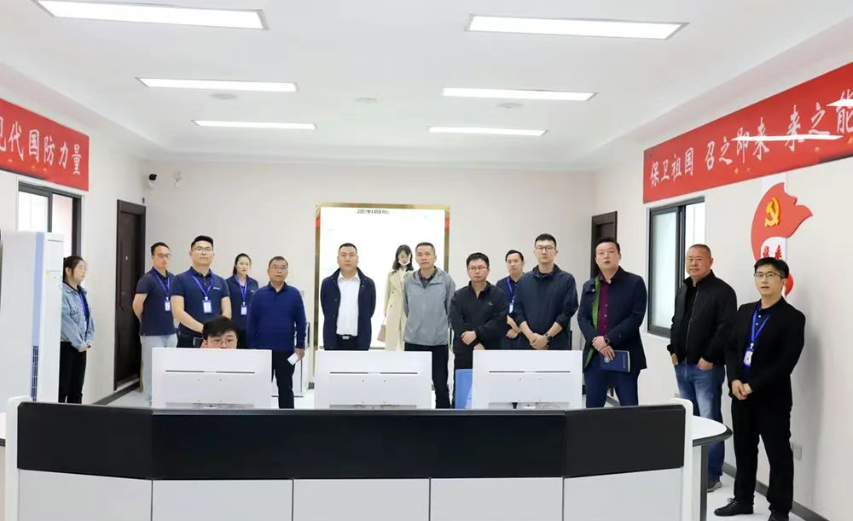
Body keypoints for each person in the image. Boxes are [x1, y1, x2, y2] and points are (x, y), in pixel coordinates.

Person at [715, 258, 806, 521]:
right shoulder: (745, 311)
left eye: (771, 275)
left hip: (771, 398)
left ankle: (779, 510)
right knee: (743, 450)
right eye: (759, 274)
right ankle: (743, 500)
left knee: (778, 454)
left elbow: (785, 362)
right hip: (740, 394)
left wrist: (752, 385)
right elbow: (731, 348)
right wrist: (734, 380)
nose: (764, 280)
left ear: (783, 281)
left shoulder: (792, 318)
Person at [668, 244, 737, 492]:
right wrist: (672, 350)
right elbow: (676, 321)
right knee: (689, 419)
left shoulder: (723, 291)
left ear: (710, 262)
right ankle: (692, 467)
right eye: (690, 259)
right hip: (682, 365)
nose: (693, 263)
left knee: (709, 420)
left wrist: (710, 357)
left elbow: (726, 328)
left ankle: (711, 473)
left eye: (699, 259)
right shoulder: (684, 288)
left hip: (707, 367)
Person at [578, 238, 648, 408]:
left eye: (611, 252)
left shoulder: (634, 282)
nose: (606, 256)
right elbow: (582, 317)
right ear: (596, 259)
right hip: (595, 355)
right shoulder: (589, 285)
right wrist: (596, 341)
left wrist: (608, 339)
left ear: (619, 256)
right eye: (601, 253)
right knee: (593, 409)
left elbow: (636, 317)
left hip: (624, 354)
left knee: (628, 408)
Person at [247, 256, 307, 409]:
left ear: (287, 272)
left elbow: (301, 321)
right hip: (263, 351)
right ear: (268, 271)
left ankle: (287, 420)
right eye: (275, 267)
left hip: (286, 351)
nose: (279, 271)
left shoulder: (294, 294)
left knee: (286, 388)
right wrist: (252, 347)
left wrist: (300, 345)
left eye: (282, 267)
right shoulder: (259, 294)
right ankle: (260, 419)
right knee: (261, 389)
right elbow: (252, 322)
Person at [404, 242, 456, 409]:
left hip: (437, 342)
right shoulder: (409, 280)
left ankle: (443, 420)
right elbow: (407, 308)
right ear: (415, 258)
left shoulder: (446, 280)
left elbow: (451, 310)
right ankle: (415, 419)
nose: (424, 257)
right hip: (413, 340)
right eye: (420, 254)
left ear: (435, 257)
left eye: (427, 254)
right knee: (414, 384)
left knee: (440, 385)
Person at [514, 234, 579, 351]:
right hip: (527, 345)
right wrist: (531, 337)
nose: (544, 252)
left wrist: (546, 338)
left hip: (556, 346)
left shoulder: (567, 279)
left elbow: (567, 313)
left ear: (556, 252)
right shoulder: (523, 280)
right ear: (535, 252)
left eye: (548, 248)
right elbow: (518, 312)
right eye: (540, 248)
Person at [132, 242, 178, 404]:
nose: (164, 259)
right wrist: (144, 319)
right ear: (153, 257)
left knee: (170, 366)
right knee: (151, 367)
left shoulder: (173, 279)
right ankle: (152, 399)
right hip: (152, 332)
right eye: (160, 255)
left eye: (167, 255)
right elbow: (137, 305)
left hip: (170, 331)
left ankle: (168, 396)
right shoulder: (147, 280)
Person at [449, 252, 507, 376]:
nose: (477, 271)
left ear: (488, 270)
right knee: (464, 386)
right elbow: (456, 322)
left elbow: (499, 322)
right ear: (467, 271)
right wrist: (475, 343)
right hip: (464, 352)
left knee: (490, 386)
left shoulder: (498, 294)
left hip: (490, 350)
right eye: (473, 268)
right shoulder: (459, 296)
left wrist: (476, 333)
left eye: (480, 267)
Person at [171, 236, 231, 347]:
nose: (203, 252)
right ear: (191, 254)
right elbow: (177, 311)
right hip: (189, 340)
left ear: (213, 255)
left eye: (208, 249)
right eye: (199, 249)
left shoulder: (220, 281)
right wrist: (204, 330)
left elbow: (227, 311)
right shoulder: (180, 279)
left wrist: (217, 330)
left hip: (216, 341)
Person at [320, 243, 377, 350]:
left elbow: (370, 311)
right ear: (337, 259)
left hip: (359, 342)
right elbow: (326, 310)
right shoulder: (327, 284)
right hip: (334, 341)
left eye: (351, 255)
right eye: (343, 255)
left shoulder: (368, 284)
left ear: (357, 259)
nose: (347, 259)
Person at [59, 255, 94, 404]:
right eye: (80, 267)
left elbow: (89, 319)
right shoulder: (62, 293)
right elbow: (65, 322)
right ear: (68, 270)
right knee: (62, 389)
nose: (84, 271)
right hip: (67, 346)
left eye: (85, 268)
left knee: (77, 390)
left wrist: (88, 340)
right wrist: (80, 343)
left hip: (82, 347)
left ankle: (75, 418)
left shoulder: (82, 293)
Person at [383, 245, 413, 351]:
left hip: (407, 308)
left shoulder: (414, 274)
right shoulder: (391, 274)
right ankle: (389, 357)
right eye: (402, 256)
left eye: (407, 256)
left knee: (406, 335)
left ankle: (406, 357)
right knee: (391, 335)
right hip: (393, 307)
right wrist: (385, 310)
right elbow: (387, 293)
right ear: (397, 257)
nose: (404, 259)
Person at [227, 253, 259, 348]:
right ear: (235, 265)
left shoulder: (254, 283)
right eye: (241, 264)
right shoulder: (227, 283)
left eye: (247, 264)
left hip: (249, 326)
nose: (244, 266)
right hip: (232, 325)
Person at [496, 249, 525, 349]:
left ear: (523, 263)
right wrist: (507, 328)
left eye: (516, 261)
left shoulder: (530, 282)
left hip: (527, 334)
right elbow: (496, 310)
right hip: (507, 334)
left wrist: (519, 329)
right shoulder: (500, 284)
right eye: (509, 262)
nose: (512, 264)